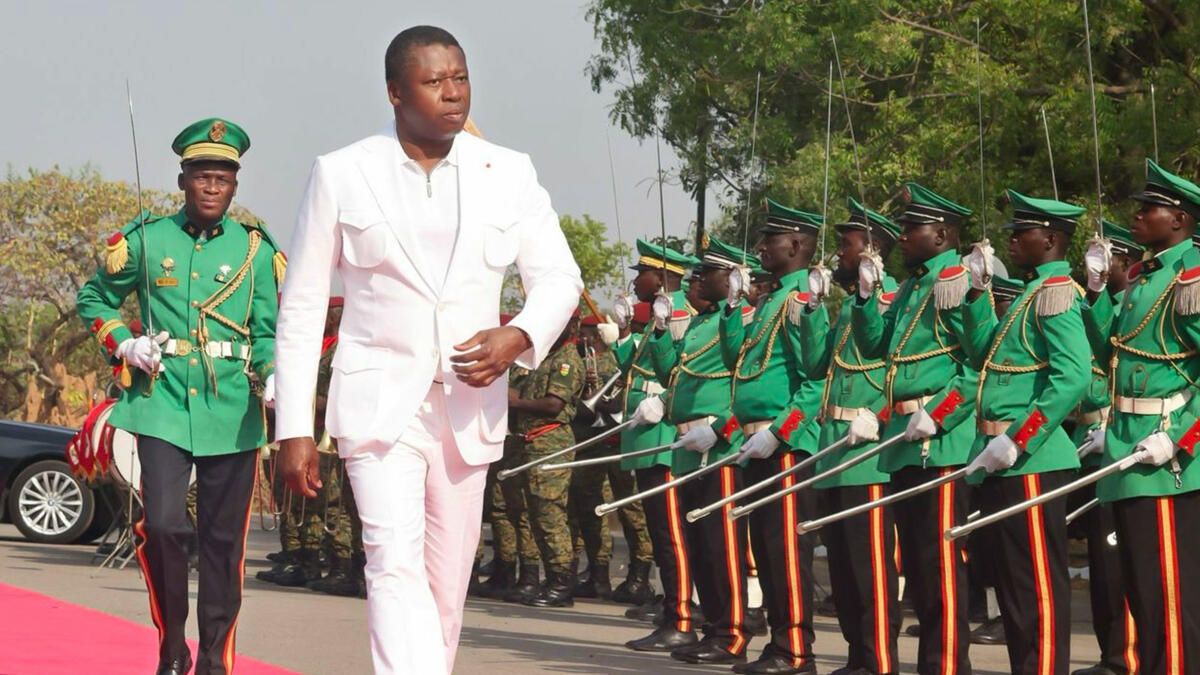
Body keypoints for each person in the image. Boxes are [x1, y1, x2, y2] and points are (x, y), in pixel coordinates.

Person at [273, 25, 582, 674]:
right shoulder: (343, 172)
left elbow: (560, 278)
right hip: (378, 403)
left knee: (446, 581)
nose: (453, 92)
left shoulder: (509, 171)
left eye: (460, 77)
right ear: (395, 92)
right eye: (434, 81)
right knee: (392, 561)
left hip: (470, 404)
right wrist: (294, 428)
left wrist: (519, 334)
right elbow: (301, 306)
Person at [77, 118, 282, 675]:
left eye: (222, 178)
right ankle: (172, 641)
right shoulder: (146, 241)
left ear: (235, 185)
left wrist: (273, 373)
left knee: (222, 544)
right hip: (162, 404)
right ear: (182, 180)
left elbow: (265, 332)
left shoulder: (256, 250)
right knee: (164, 526)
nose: (212, 187)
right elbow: (94, 298)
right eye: (201, 176)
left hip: (232, 411)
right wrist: (124, 344)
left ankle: (216, 659)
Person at [952, 190, 1091, 674]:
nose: (1010, 240)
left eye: (1021, 233)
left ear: (1049, 239)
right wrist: (976, 294)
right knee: (1014, 591)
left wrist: (1018, 438)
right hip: (1000, 456)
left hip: (1030, 459)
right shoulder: (1030, 295)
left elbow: (1073, 377)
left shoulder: (1056, 292)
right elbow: (981, 355)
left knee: (1036, 589)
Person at [851, 182, 976, 675]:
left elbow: (978, 364)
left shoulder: (955, 280)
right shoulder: (912, 286)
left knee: (941, 568)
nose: (901, 236)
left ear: (941, 234)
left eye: (911, 228)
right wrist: (866, 297)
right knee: (920, 573)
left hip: (939, 442)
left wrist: (942, 412)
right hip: (904, 439)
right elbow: (875, 346)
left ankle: (947, 667)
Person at [1082, 159, 1200, 675]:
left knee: (1170, 600)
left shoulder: (1191, 277)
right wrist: (1098, 291)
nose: (1136, 216)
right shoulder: (1145, 277)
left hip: (1167, 458)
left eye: (1148, 209)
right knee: (1142, 596)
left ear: (1179, 219)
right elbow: (1110, 347)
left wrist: (1182, 437)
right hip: (1128, 448)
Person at [797, 198, 903, 675]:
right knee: (841, 568)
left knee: (870, 569)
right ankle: (858, 656)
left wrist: (880, 415)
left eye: (847, 244)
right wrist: (814, 308)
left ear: (872, 251)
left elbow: (903, 374)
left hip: (869, 454)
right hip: (834, 450)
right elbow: (816, 364)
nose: (838, 253)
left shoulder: (893, 300)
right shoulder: (850, 308)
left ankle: (878, 660)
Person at [722, 198, 825, 675]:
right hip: (755, 444)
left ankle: (795, 649)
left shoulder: (803, 299)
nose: (762, 248)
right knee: (765, 553)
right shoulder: (771, 300)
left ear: (797, 244)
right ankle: (780, 643)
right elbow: (736, 362)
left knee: (784, 552)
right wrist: (731, 308)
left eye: (772, 239)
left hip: (783, 446)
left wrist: (782, 431)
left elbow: (815, 378)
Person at [649, 236, 753, 665]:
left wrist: (722, 427)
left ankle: (732, 632)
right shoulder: (697, 323)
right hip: (688, 445)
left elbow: (747, 384)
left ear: (729, 278)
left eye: (706, 272)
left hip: (717, 444)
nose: (697, 277)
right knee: (699, 545)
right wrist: (660, 333)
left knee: (721, 545)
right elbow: (671, 375)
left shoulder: (743, 318)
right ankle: (713, 627)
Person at [602, 240, 701, 651]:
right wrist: (624, 334)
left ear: (660, 277)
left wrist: (662, 398)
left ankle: (681, 616)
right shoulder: (660, 314)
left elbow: (681, 372)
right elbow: (636, 368)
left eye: (641, 273)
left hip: (664, 436)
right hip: (646, 434)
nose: (635, 281)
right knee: (662, 533)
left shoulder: (679, 313)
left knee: (671, 532)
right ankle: (671, 610)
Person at [1069, 220, 1139, 675]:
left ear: (1126, 263)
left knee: (1120, 561)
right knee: (1101, 560)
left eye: (1106, 259)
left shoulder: (1134, 312)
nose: (1097, 266)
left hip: (1123, 442)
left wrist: (1108, 426)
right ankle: (1109, 653)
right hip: (1092, 445)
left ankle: (1125, 655)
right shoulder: (1099, 309)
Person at [510, 316, 586, 607]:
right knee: (537, 515)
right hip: (532, 442)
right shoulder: (545, 356)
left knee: (550, 514)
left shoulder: (566, 360)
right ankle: (552, 578)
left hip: (551, 442)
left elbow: (554, 404)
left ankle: (561, 582)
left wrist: (516, 402)